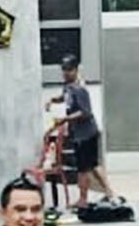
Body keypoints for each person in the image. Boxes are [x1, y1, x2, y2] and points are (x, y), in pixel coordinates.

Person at [48, 55, 119, 208]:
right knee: (92, 165)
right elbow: (66, 98)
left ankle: (84, 199)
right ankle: (109, 193)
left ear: (76, 69)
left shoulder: (80, 88)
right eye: (64, 70)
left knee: (84, 168)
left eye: (69, 70)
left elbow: (85, 112)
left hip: (86, 133)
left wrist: (65, 119)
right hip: (79, 133)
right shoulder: (68, 86)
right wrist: (53, 100)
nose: (66, 73)